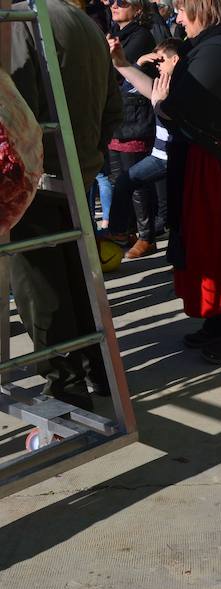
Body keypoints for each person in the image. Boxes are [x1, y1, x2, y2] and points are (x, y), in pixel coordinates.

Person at [112, 0, 221, 362]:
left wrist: (163, 102)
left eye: (183, 10)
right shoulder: (203, 47)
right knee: (207, 246)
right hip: (204, 166)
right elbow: (162, 96)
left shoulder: (219, 51)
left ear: (201, 9)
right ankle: (218, 323)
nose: (178, 18)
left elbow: (172, 105)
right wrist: (123, 65)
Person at [8, 0, 123, 409]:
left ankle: (66, 382)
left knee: (40, 283)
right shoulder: (86, 25)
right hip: (77, 171)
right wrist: (86, 153)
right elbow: (114, 108)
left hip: (36, 177)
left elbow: (15, 109)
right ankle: (96, 370)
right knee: (77, 276)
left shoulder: (22, 19)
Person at [105, 38, 180, 251]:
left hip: (172, 157)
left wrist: (159, 102)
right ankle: (118, 232)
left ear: (175, 60)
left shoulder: (179, 85)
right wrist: (133, 64)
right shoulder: (159, 82)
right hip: (158, 156)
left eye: (161, 60)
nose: (157, 65)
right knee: (125, 181)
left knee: (170, 208)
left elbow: (172, 116)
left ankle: (148, 237)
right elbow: (130, 89)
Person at [106, 0, 159, 258]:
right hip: (119, 116)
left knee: (135, 180)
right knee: (118, 178)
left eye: (122, 2)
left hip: (135, 117)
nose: (115, 5)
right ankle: (125, 230)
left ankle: (146, 236)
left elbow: (116, 72)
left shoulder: (140, 36)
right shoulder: (115, 33)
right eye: (112, 1)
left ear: (138, 8)